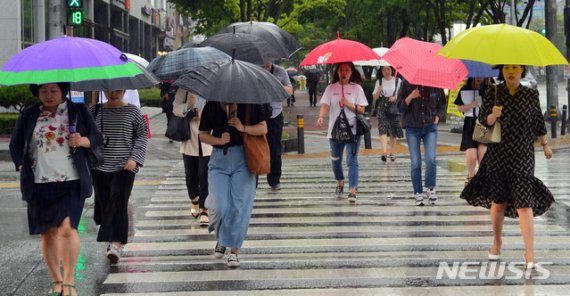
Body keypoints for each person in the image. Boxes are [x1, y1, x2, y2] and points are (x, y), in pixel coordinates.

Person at [10, 82, 103, 296]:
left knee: (68, 229)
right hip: (39, 182)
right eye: (44, 91)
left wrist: (83, 140)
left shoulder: (78, 111)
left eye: (53, 91)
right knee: (48, 233)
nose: (49, 95)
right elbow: (15, 145)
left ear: (63, 91)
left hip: (71, 180)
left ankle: (69, 280)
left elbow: (97, 138)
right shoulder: (29, 114)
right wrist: (21, 164)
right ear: (37, 93)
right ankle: (57, 280)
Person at [461, 64, 554, 269]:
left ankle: (529, 253)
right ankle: (497, 241)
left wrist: (545, 145)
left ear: (522, 70)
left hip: (523, 155)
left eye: (515, 68)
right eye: (507, 68)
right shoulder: (494, 91)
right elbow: (483, 122)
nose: (510, 71)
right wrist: (493, 116)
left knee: (524, 203)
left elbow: (538, 121)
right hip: (498, 154)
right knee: (499, 202)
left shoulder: (530, 94)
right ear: (502, 71)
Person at [199, 101, 268, 268]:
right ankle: (222, 237)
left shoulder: (250, 104)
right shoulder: (213, 105)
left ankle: (234, 251)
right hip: (218, 160)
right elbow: (202, 134)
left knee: (239, 207)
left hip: (243, 160)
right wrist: (219, 140)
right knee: (219, 205)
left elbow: (263, 128)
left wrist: (243, 127)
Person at [91, 89, 148, 265]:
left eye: (117, 91)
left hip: (125, 167)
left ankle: (115, 244)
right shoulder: (94, 111)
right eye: (109, 90)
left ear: (124, 90)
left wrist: (134, 158)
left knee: (119, 202)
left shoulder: (133, 111)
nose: (113, 94)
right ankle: (109, 231)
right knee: (104, 202)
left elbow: (142, 136)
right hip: (99, 166)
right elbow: (87, 135)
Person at [316, 62, 368, 203]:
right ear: (337, 72)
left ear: (351, 72)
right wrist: (321, 117)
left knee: (352, 161)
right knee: (336, 161)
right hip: (335, 130)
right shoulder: (330, 88)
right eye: (341, 70)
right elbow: (325, 105)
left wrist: (348, 103)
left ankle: (352, 190)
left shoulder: (357, 89)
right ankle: (340, 181)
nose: (344, 73)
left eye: (347, 70)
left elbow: (362, 110)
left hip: (353, 130)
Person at [398, 80, 446, 206]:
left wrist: (438, 116)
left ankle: (430, 188)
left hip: (430, 126)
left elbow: (442, 104)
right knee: (416, 162)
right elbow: (399, 106)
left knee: (431, 158)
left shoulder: (435, 84)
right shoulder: (406, 83)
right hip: (412, 127)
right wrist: (410, 96)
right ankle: (418, 192)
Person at [173, 88, 212, 226]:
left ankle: (204, 208)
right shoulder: (185, 89)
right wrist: (188, 106)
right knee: (191, 174)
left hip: (208, 136)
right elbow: (175, 108)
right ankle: (194, 199)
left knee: (205, 174)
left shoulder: (211, 87)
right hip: (189, 137)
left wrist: (206, 112)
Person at [261, 63, 293, 191]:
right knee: (254, 146)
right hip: (257, 114)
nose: (265, 62)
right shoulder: (253, 68)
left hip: (275, 114)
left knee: (274, 149)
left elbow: (290, 90)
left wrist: (275, 85)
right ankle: (253, 179)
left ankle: (274, 180)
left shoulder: (280, 71)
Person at [454, 77, 489, 185]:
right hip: (469, 123)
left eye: (481, 77)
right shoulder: (465, 89)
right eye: (477, 77)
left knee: (482, 154)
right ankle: (470, 177)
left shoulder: (488, 89)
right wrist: (471, 105)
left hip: (483, 123)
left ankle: (482, 179)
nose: (479, 79)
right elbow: (459, 108)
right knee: (471, 155)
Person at [372, 66, 403, 162]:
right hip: (382, 106)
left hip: (394, 107)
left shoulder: (398, 80)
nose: (386, 71)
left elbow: (402, 94)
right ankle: (384, 152)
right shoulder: (379, 81)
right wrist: (379, 90)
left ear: (392, 70)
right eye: (384, 69)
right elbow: (375, 97)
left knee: (393, 130)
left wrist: (396, 97)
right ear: (381, 71)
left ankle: (392, 152)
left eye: (388, 69)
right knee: (382, 128)